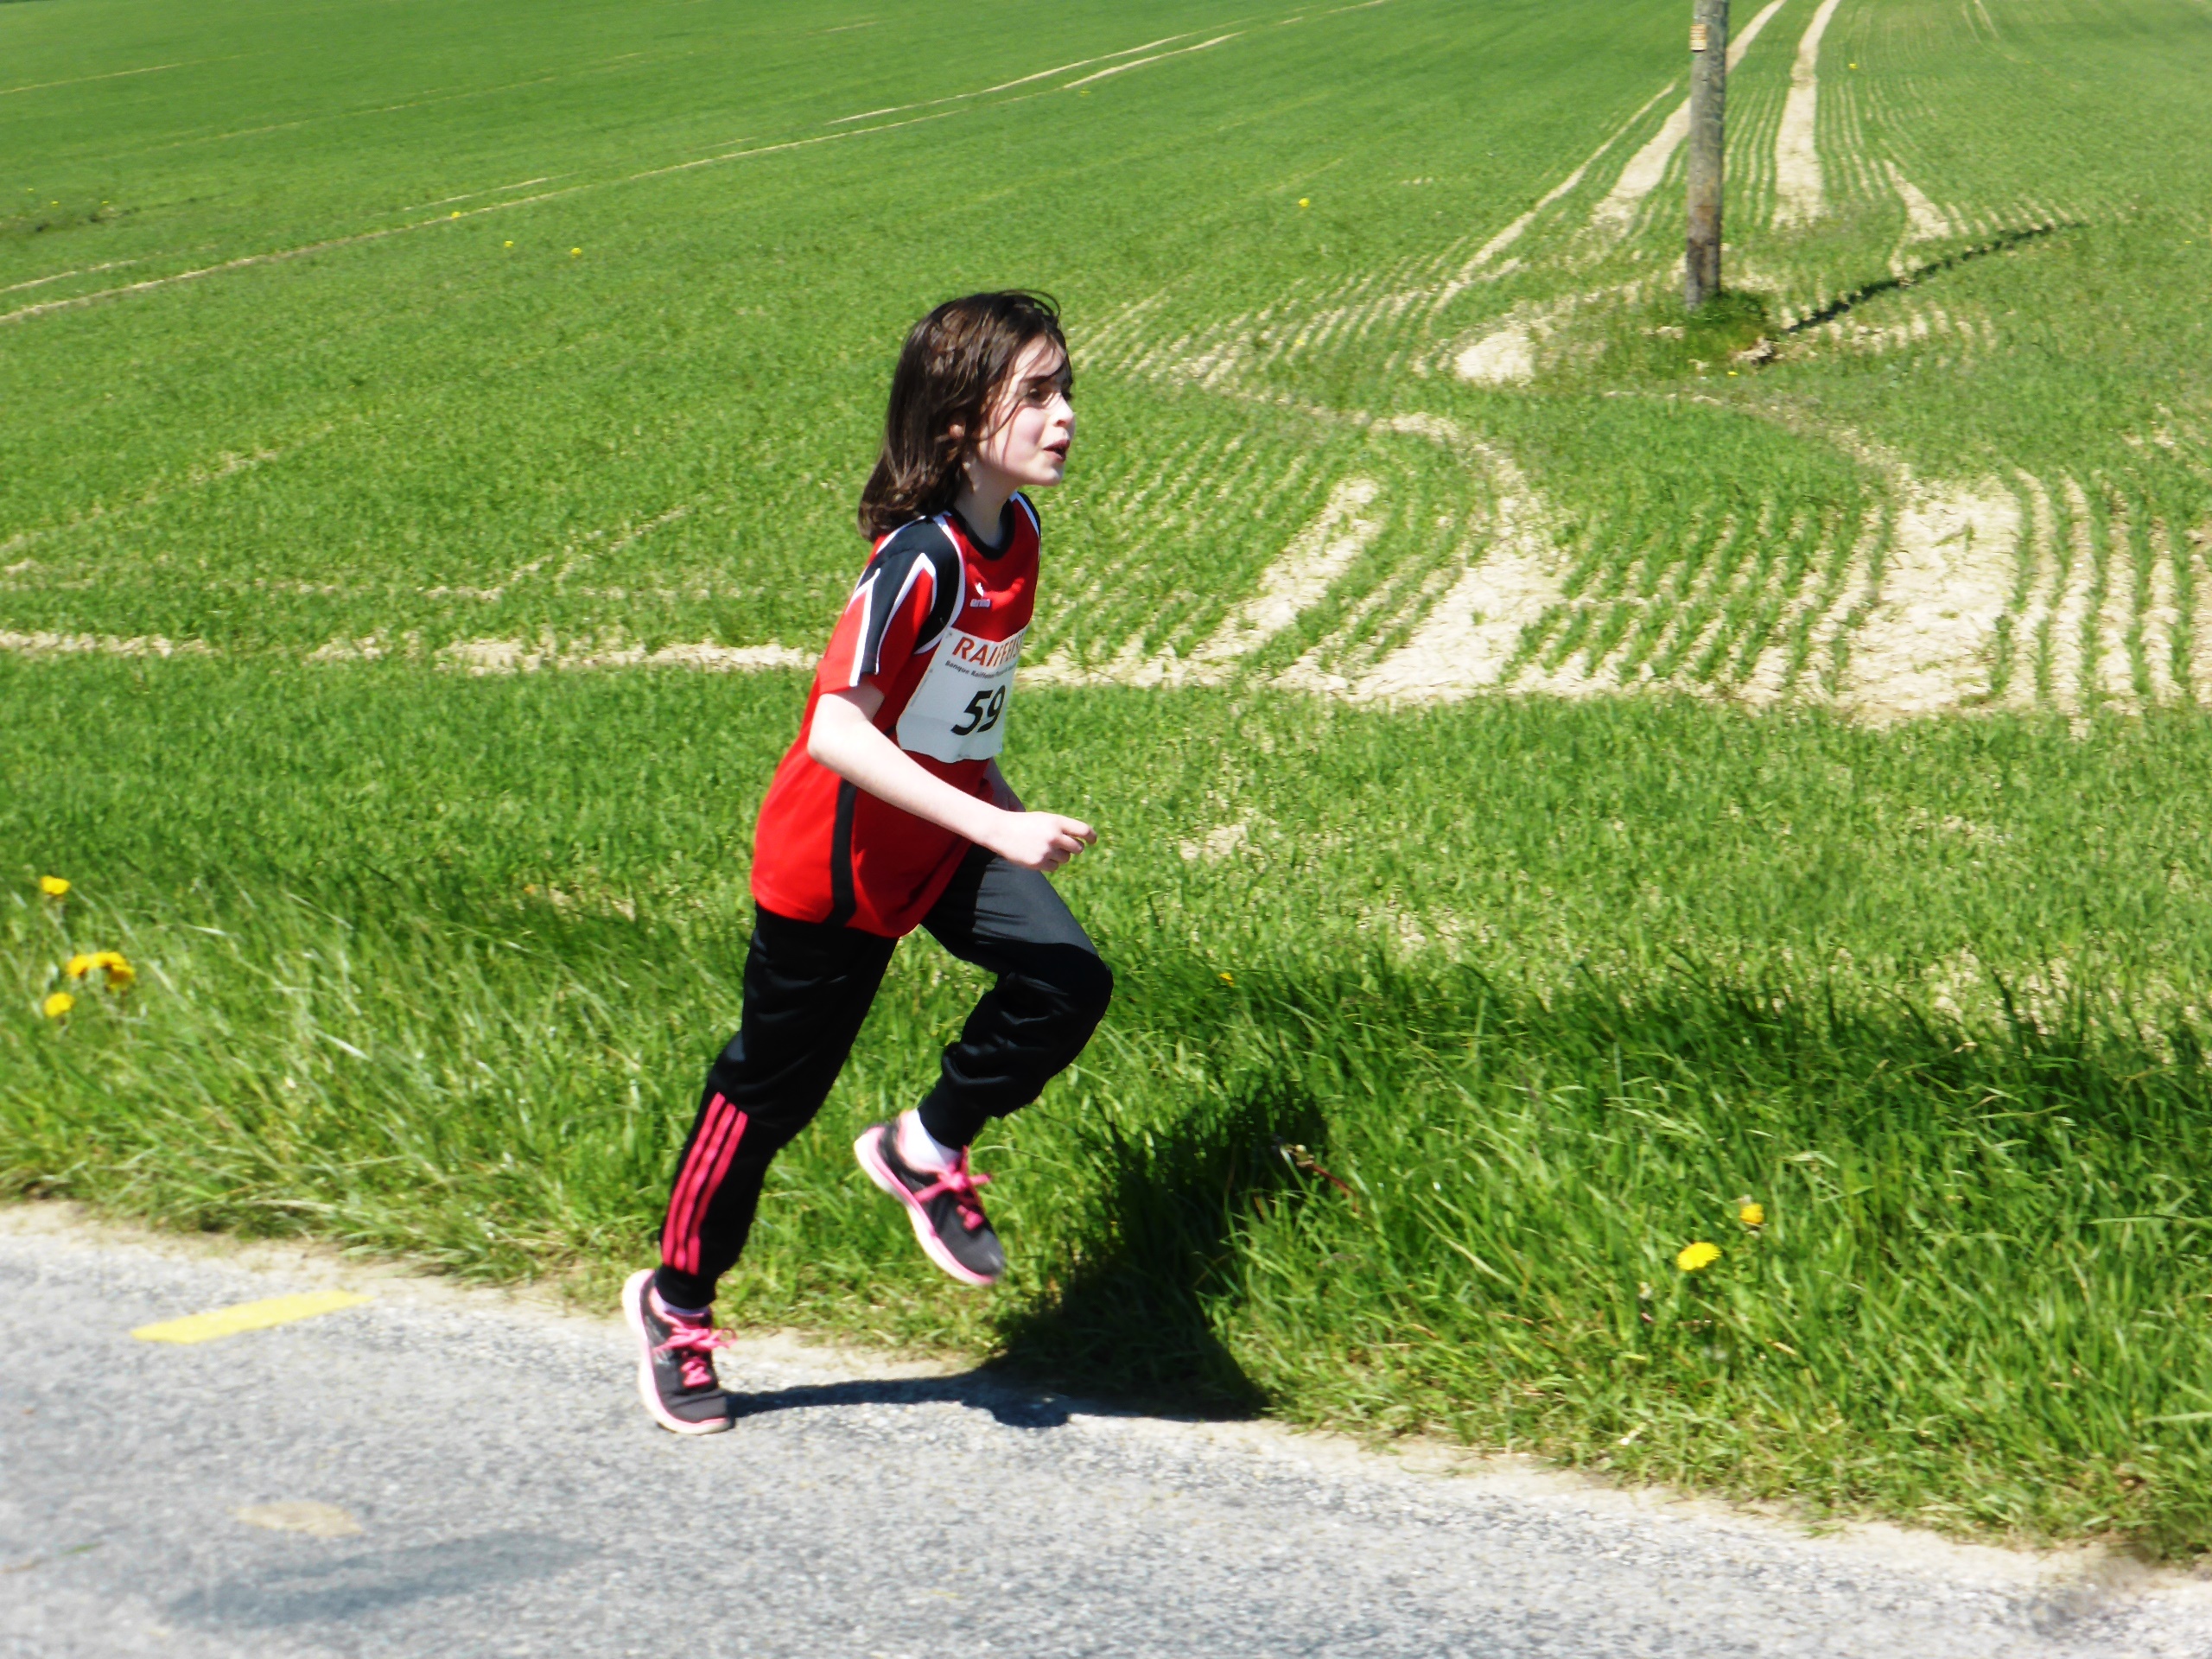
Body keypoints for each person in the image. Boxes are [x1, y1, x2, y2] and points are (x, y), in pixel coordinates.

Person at [622, 291, 1114, 1434]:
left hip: (941, 838)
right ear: (961, 418)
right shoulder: (918, 561)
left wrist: (995, 807)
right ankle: (676, 1303)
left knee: (1066, 982)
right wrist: (1000, 830)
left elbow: (957, 717)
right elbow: (839, 734)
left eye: (1066, 390)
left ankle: (922, 1146)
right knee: (767, 1098)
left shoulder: (1019, 536)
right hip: (833, 871)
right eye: (1037, 394)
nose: (1065, 416)